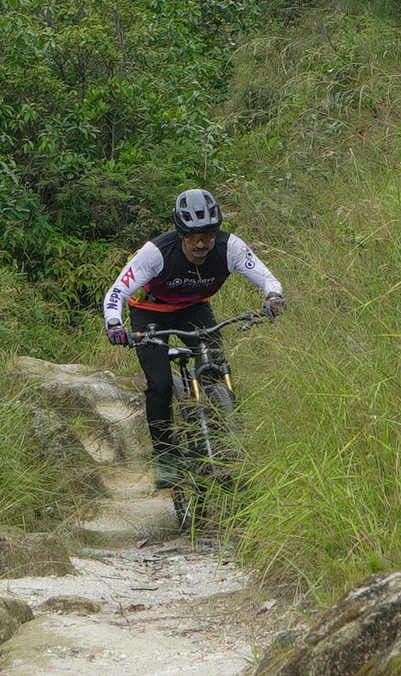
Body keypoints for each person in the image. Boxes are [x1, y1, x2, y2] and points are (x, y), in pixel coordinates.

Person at [102, 188, 286, 486]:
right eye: (193, 237)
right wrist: (114, 325)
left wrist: (273, 297)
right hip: (151, 313)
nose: (202, 244)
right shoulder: (156, 252)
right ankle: (166, 456)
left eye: (209, 235)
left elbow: (267, 277)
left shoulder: (231, 248)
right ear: (181, 234)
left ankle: (223, 441)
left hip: (194, 309)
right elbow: (116, 292)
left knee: (215, 369)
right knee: (160, 385)